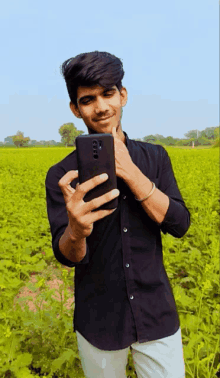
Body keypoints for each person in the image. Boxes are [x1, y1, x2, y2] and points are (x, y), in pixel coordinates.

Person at [45, 51, 191, 378]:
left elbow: (180, 224)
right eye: (87, 99)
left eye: (108, 93)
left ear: (122, 95)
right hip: (99, 319)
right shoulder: (63, 176)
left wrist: (131, 173)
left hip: (156, 312)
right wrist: (77, 231)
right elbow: (66, 255)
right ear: (75, 108)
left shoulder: (154, 157)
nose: (100, 106)